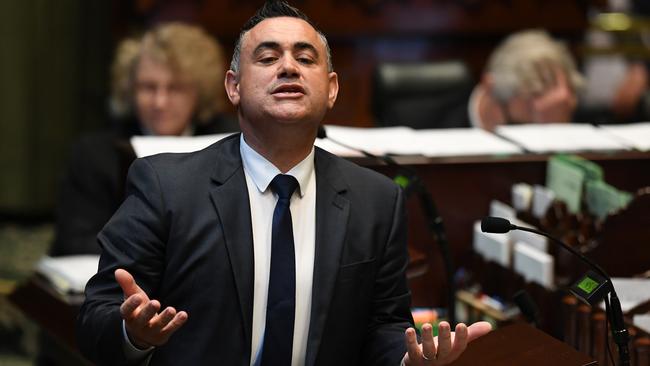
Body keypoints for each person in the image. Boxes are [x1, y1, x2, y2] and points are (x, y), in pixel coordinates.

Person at [76, 2, 491, 365]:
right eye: (268, 57)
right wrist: (135, 335)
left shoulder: (376, 201)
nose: (289, 66)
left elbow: (383, 327)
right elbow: (96, 319)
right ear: (233, 87)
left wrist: (407, 360)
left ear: (330, 90)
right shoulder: (166, 186)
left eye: (306, 58)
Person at [51, 22, 237, 256]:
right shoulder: (94, 153)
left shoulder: (231, 143)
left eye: (175, 88)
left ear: (199, 92)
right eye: (148, 87)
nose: (160, 102)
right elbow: (74, 240)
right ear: (129, 90)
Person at [468, 29, 585, 131]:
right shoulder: (450, 123)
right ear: (490, 86)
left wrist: (556, 129)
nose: (545, 107)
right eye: (534, 95)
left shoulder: (583, 125)